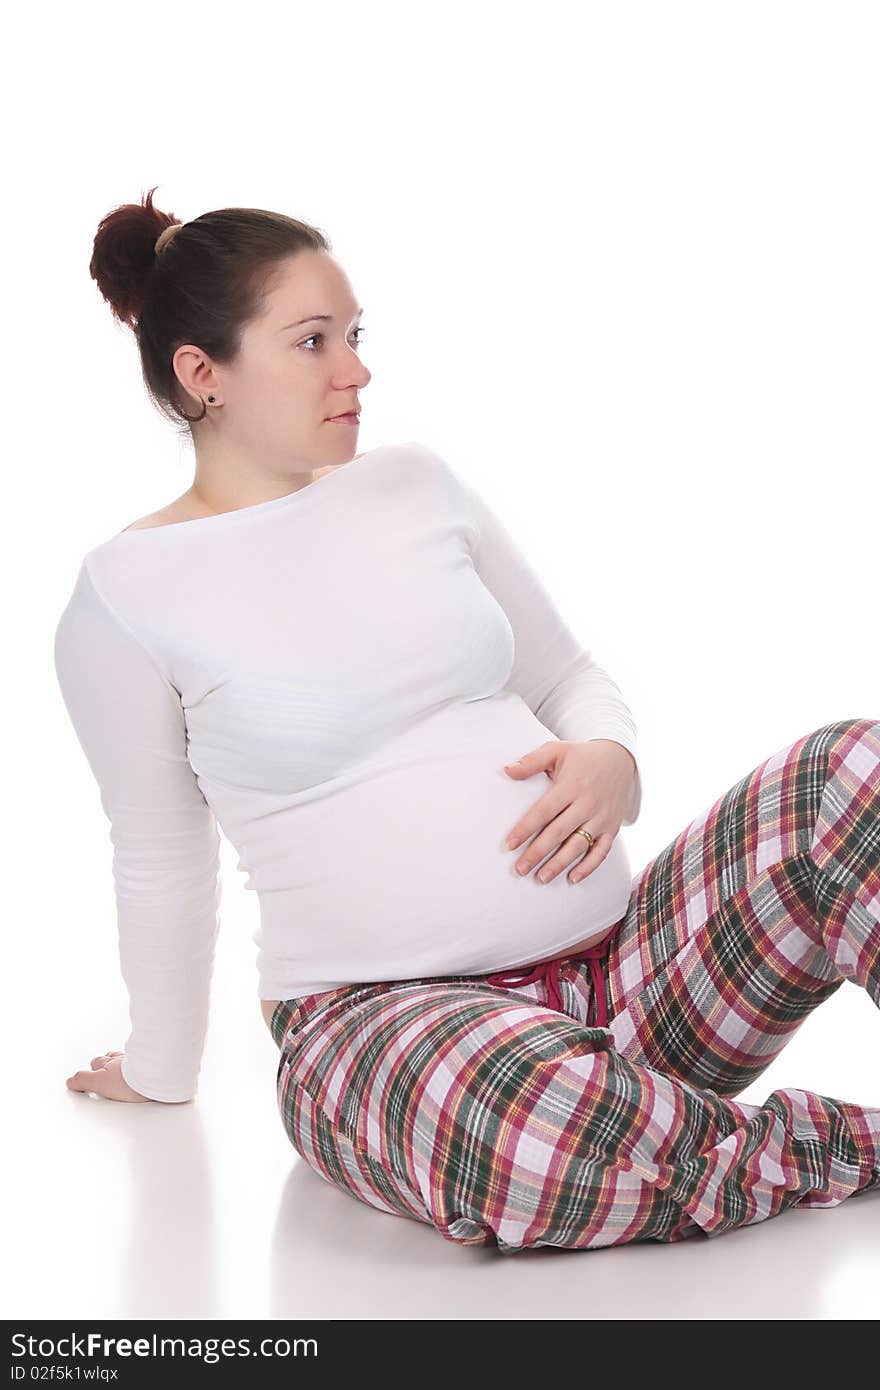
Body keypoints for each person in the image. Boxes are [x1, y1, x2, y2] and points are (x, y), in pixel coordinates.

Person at [53, 188, 880, 1254]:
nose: (354, 369)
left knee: (851, 772)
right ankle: (826, 1146)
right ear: (202, 374)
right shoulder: (126, 595)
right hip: (388, 1036)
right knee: (527, 1136)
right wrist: (159, 1067)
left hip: (624, 984)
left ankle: (662, 1135)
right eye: (311, 342)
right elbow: (160, 857)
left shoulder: (415, 484)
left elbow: (571, 674)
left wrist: (610, 756)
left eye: (353, 335)